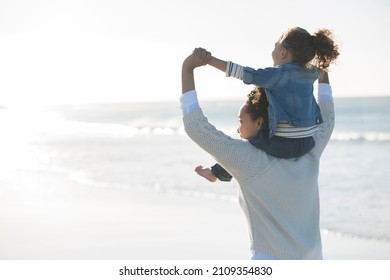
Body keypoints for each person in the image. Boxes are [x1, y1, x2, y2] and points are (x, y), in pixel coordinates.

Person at [181, 48, 335, 259]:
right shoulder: (311, 148)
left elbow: (196, 127)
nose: (238, 130)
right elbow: (328, 118)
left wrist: (187, 68)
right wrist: (322, 74)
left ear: (260, 122)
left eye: (241, 122)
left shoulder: (249, 160)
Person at [200, 27, 339, 159]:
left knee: (248, 144)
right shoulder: (311, 72)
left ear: (283, 52)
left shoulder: (278, 74)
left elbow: (245, 73)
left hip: (283, 146)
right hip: (308, 143)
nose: (272, 51)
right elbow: (322, 73)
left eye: (275, 46)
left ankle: (219, 172)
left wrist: (209, 60)